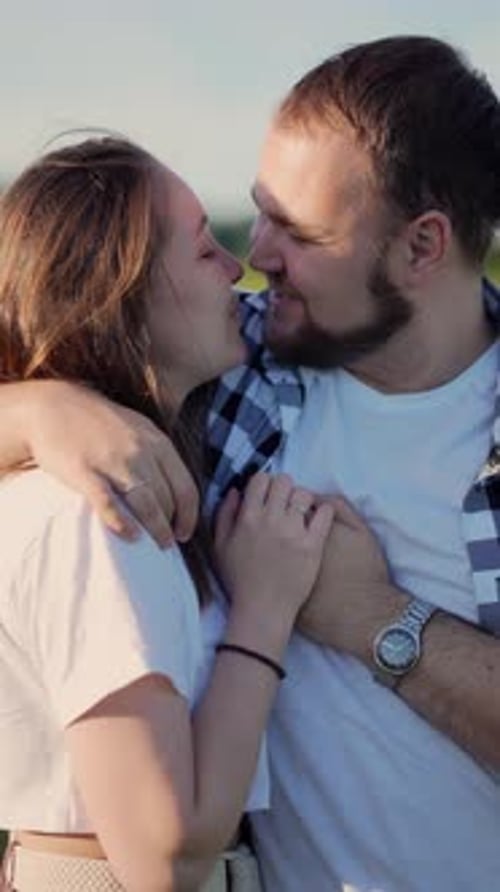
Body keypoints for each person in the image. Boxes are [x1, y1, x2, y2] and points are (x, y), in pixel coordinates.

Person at [2, 33, 500, 891]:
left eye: (299, 231)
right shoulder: (228, 366)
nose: (256, 256)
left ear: (422, 247)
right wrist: (37, 409)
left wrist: (375, 616)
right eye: (262, 212)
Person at [0, 137, 334, 892]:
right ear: (119, 291)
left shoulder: (118, 477)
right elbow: (165, 857)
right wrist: (265, 610)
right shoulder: (94, 514)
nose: (239, 271)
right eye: (205, 248)